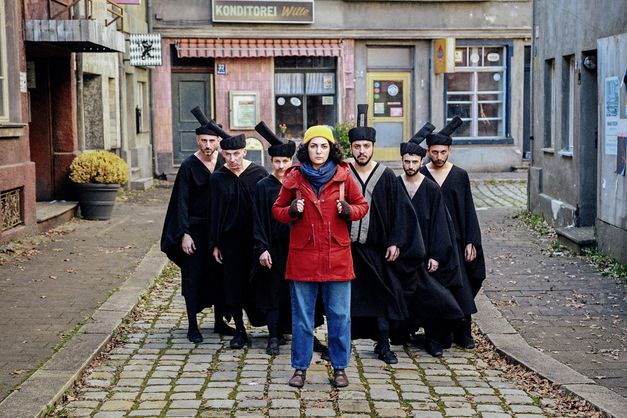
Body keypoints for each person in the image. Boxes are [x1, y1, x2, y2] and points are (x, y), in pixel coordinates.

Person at [272, 125, 368, 388]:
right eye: (313, 146)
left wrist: (348, 210)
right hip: (303, 256)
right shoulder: (294, 177)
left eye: (323, 146)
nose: (319, 151)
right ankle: (300, 368)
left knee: (340, 316)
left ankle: (339, 367)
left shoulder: (344, 176)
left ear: (331, 149)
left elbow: (362, 206)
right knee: (302, 318)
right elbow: (277, 210)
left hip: (337, 256)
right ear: (306, 149)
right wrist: (291, 209)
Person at [346, 105, 424, 364]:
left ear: (373, 147)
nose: (362, 151)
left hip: (376, 249)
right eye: (357, 146)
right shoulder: (342, 173)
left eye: (366, 146)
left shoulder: (386, 176)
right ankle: (341, 346)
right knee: (345, 299)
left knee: (381, 298)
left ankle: (383, 344)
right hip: (346, 250)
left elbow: (401, 212)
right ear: (351, 148)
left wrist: (395, 241)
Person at [253, 122, 329, 358]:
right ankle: (274, 335)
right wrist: (262, 248)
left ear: (292, 163)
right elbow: (258, 219)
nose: (281, 166)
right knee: (274, 292)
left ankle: (307, 334)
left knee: (305, 294)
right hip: (275, 247)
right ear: (271, 162)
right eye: (277, 162)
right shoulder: (263, 186)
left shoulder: (301, 182)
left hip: (301, 246)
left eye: (285, 162)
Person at [160, 106, 235, 343]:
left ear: (218, 142)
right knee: (193, 277)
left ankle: (219, 322)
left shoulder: (224, 165)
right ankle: (193, 325)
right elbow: (180, 203)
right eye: (204, 140)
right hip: (195, 229)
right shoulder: (188, 167)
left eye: (212, 140)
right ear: (197, 140)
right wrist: (184, 233)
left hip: (219, 231)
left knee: (220, 275)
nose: (208, 145)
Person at [398, 124, 465, 356]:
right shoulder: (396, 185)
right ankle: (400, 332)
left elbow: (440, 224)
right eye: (406, 162)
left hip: (427, 253)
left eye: (414, 162)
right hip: (404, 253)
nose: (410, 166)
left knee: (432, 296)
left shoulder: (431, 188)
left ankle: (433, 338)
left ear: (420, 161)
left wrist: (437, 255)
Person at [419, 116, 486, 349]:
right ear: (428, 151)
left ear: (449, 151)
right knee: (433, 289)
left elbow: (468, 209)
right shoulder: (421, 174)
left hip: (456, 241)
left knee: (462, 286)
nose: (438, 157)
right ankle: (434, 336)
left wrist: (471, 241)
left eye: (443, 152)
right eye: (434, 152)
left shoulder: (459, 175)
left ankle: (463, 332)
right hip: (430, 244)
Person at [209, 121, 269, 349]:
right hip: (230, 241)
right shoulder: (218, 178)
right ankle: (240, 331)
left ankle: (273, 327)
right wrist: (215, 243)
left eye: (236, 154)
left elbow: (266, 209)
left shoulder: (258, 174)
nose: (232, 159)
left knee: (260, 282)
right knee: (233, 285)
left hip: (255, 240)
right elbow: (214, 213)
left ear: (245, 152)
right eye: (227, 154)